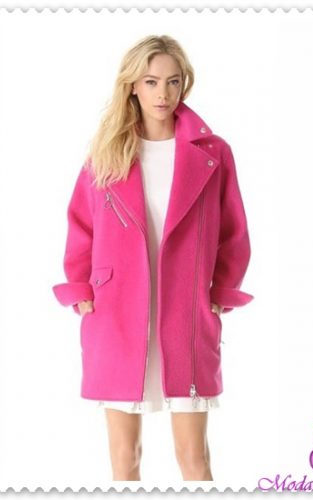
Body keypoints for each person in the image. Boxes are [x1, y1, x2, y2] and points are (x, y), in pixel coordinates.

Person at [52, 34, 254, 481]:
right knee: (125, 458)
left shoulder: (213, 154)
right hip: (118, 313)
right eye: (151, 81)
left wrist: (221, 290)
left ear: (184, 84)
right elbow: (81, 225)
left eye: (173, 81)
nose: (163, 93)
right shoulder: (106, 152)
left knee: (194, 458)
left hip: (187, 313)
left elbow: (234, 230)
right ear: (132, 85)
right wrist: (82, 289)